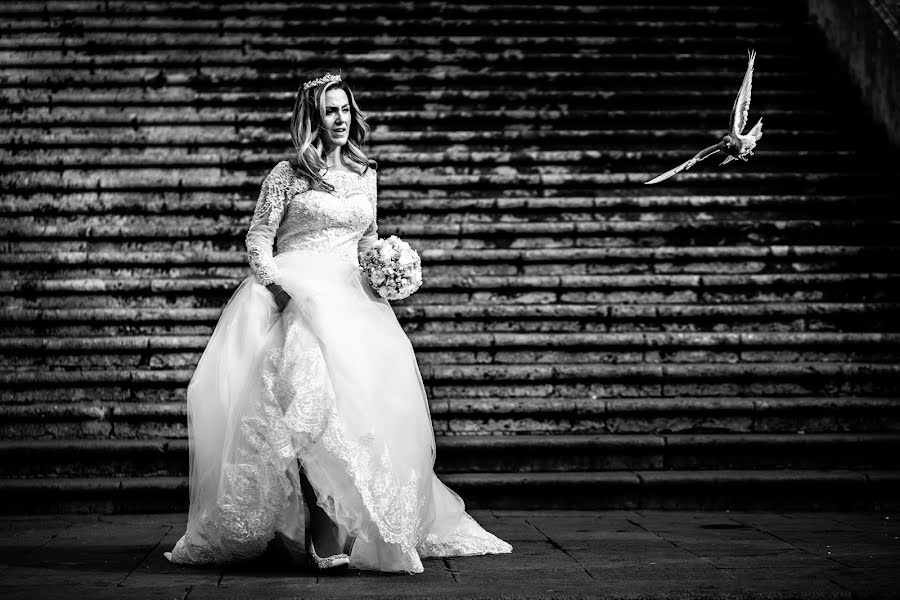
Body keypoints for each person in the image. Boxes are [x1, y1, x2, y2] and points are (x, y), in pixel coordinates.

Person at [163, 68, 512, 574]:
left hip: (355, 301)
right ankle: (320, 523)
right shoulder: (286, 175)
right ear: (313, 118)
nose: (341, 118)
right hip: (299, 294)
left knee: (360, 413)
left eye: (346, 108)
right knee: (307, 401)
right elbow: (259, 237)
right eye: (331, 111)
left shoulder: (366, 173)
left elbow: (367, 237)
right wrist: (276, 284)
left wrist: (387, 265)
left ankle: (349, 519)